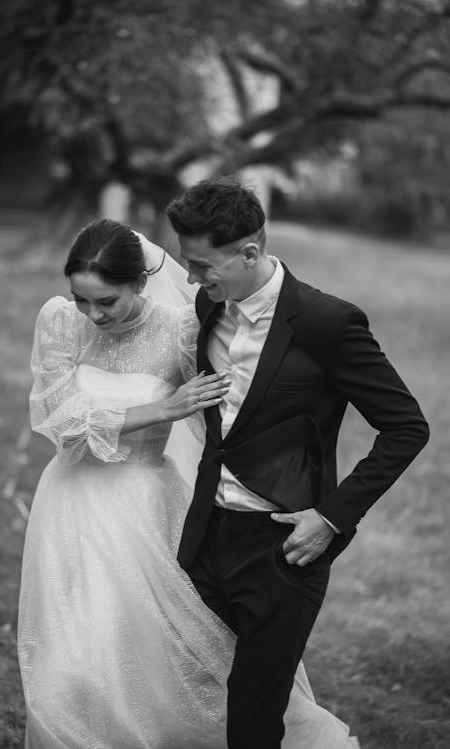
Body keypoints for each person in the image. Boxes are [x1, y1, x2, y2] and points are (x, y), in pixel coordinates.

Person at [18, 219, 360, 748]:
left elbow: (228, 416)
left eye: (106, 301)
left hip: (143, 503)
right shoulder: (60, 322)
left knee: (147, 645)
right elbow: (59, 425)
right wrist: (160, 408)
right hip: (67, 503)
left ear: (139, 282)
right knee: (68, 648)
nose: (94, 314)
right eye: (82, 300)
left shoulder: (180, 330)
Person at [166, 177, 430, 749]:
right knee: (189, 688)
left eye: (201, 264)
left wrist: (332, 517)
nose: (192, 278)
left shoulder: (327, 323)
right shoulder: (210, 305)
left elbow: (407, 427)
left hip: (283, 548)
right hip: (206, 534)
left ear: (251, 253)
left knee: (254, 717)